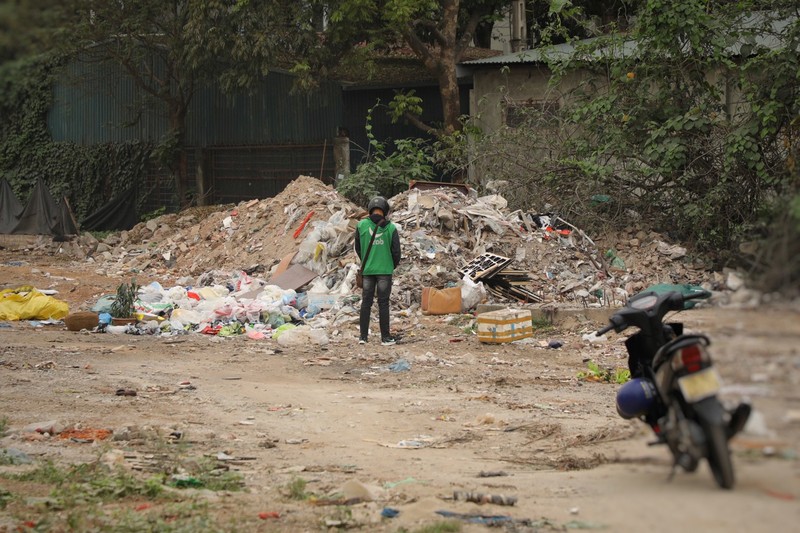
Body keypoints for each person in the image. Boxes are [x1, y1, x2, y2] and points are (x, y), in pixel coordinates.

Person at [354, 196, 401, 345]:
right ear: (385, 211)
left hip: (368, 271)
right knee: (383, 303)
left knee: (366, 303)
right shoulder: (391, 227)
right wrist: (390, 265)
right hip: (384, 271)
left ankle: (363, 337)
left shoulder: (361, 226)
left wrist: (367, 262)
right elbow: (396, 252)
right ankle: (385, 338)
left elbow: (358, 248)